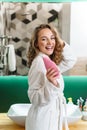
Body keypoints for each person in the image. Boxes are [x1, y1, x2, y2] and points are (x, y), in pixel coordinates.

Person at [26, 24, 76, 130]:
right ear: (36, 43)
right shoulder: (39, 63)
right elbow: (34, 98)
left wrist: (58, 41)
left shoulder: (48, 61)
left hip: (50, 119)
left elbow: (71, 60)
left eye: (52, 38)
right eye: (44, 39)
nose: (50, 43)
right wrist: (50, 84)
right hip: (42, 123)